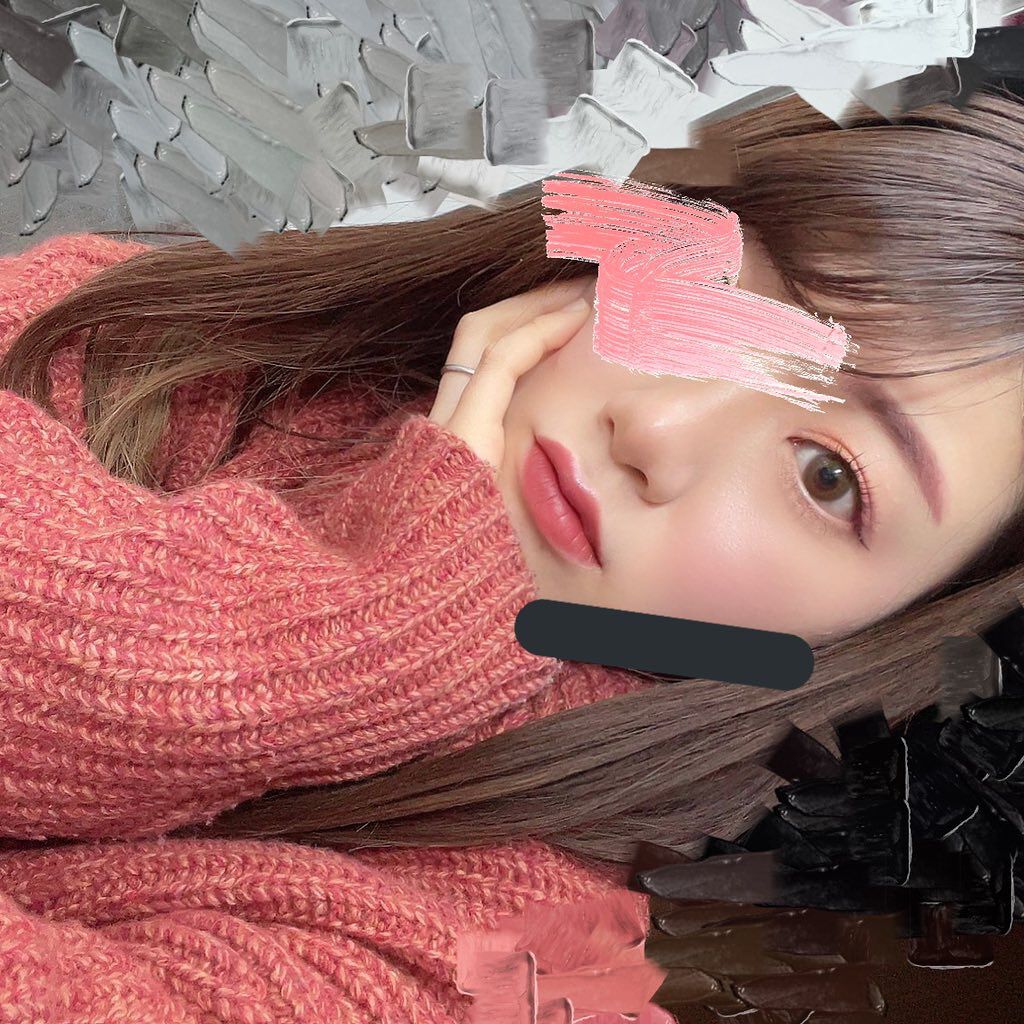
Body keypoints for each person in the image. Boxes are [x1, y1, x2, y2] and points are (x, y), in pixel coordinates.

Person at [1, 86, 1023, 1022]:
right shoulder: (192, 336)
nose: (655, 427)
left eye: (827, 475)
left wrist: (339, 639)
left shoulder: (522, 971)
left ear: (896, 629)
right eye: (712, 290)